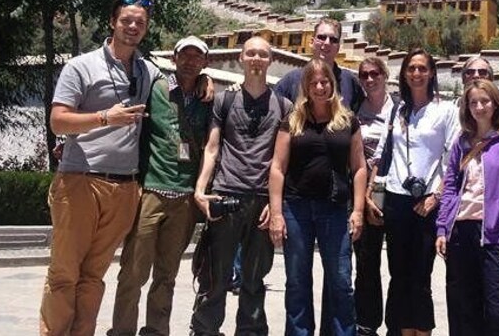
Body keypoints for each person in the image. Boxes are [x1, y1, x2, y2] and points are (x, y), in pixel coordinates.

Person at [41, 0, 162, 336]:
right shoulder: (81, 66)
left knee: (94, 277)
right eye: (127, 20)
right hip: (81, 181)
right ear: (113, 22)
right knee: (65, 274)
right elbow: (59, 122)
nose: (133, 27)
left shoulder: (146, 70)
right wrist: (106, 118)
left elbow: (176, 86)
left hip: (124, 188)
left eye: (140, 22)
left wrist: (203, 82)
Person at [109, 36, 212, 336]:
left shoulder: (209, 99)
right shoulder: (156, 88)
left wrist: (209, 83)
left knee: (167, 274)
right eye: (185, 55)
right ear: (174, 59)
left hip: (184, 199)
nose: (190, 62)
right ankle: (123, 330)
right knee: (133, 272)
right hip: (152, 191)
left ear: (205, 63)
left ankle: (156, 331)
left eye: (197, 57)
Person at [190, 36, 291, 336]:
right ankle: (204, 330)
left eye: (263, 54)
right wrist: (200, 190)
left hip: (261, 201)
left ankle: (251, 331)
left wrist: (275, 208)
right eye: (251, 54)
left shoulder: (284, 106)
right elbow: (212, 147)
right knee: (215, 276)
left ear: (270, 60)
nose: (257, 59)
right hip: (226, 194)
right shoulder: (225, 100)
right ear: (241, 59)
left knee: (254, 279)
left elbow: (283, 163)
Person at [268, 59, 368, 335]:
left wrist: (357, 211)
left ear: (332, 85)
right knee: (297, 281)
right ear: (306, 87)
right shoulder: (292, 121)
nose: (320, 87)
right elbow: (277, 168)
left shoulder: (348, 121)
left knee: (340, 280)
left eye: (325, 82)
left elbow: (360, 168)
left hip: (335, 209)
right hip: (296, 208)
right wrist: (276, 214)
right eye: (314, 83)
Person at [375, 48, 460, 336]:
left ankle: (421, 331)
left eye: (422, 68)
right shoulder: (397, 110)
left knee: (421, 274)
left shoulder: (446, 111)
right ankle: (399, 330)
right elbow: (382, 153)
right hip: (397, 198)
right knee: (398, 273)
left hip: (428, 202)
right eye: (411, 68)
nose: (416, 73)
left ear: (432, 73)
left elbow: (454, 159)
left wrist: (437, 195)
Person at [435, 80, 499, 336]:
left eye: (484, 101)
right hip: (460, 230)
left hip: (494, 234)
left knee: (497, 306)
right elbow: (451, 186)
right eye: (473, 102)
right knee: (463, 305)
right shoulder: (462, 142)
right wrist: (442, 228)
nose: (479, 107)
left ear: (495, 103)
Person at [354, 57, 397, 336]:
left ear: (384, 75)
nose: (370, 79)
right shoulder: (356, 106)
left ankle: (397, 322)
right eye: (365, 75)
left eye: (375, 74)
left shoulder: (398, 109)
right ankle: (367, 322)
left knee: (398, 261)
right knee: (366, 260)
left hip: (391, 190)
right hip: (361, 191)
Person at [275, 17, 364, 112]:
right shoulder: (291, 80)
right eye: (322, 37)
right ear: (311, 42)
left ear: (338, 47)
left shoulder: (350, 82)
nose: (327, 43)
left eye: (333, 40)